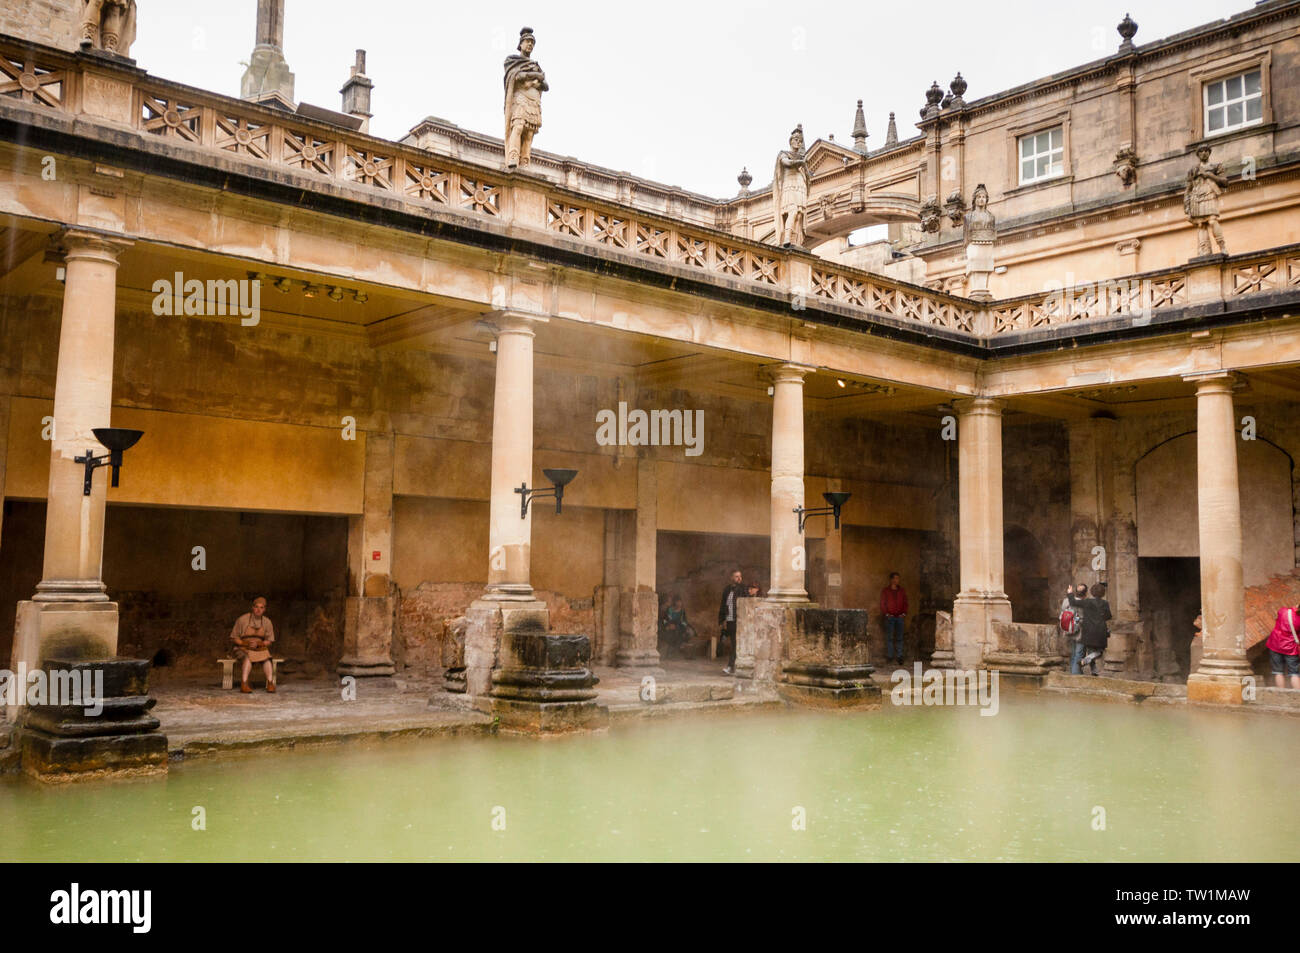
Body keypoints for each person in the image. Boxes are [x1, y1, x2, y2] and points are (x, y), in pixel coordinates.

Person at [230, 596, 276, 693]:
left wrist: (259, 644)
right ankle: (244, 683)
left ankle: (270, 683)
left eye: (261, 607)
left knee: (266, 659)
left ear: (264, 609)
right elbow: (234, 637)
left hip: (259, 647)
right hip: (242, 647)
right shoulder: (242, 619)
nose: (258, 610)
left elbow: (270, 640)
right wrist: (245, 643)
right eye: (256, 607)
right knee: (248, 657)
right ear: (252, 608)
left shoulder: (267, 622)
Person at [1067, 583, 1112, 676]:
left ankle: (1094, 671)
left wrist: (1070, 593)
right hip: (1100, 630)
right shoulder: (1105, 603)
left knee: (1091, 649)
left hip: (1087, 631)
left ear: (1091, 592)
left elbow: (1073, 602)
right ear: (1103, 593)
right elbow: (1108, 616)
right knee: (1099, 652)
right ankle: (1086, 661)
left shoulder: (1087, 602)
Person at [717, 569, 746, 675]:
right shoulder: (727, 590)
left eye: (740, 576)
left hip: (738, 621)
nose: (739, 578)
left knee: (735, 644)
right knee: (733, 643)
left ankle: (730, 666)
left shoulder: (743, 589)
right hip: (730, 621)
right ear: (732, 577)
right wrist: (722, 620)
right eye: (737, 576)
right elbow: (723, 605)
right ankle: (733, 666)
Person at [1265, 603, 1300, 690]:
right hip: (1291, 649)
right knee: (1294, 673)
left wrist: (1293, 607)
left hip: (1275, 645)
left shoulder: (1283, 611)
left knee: (1278, 672)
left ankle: (1281, 695)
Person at [880, 572, 908, 665]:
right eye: (895, 578)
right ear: (891, 579)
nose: (897, 580)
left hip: (900, 617)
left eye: (898, 578)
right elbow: (883, 603)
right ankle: (890, 656)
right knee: (890, 637)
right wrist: (886, 614)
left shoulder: (902, 591)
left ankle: (899, 656)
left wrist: (904, 613)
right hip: (890, 617)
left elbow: (905, 602)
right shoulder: (886, 591)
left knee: (900, 638)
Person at [1062, 584, 1087, 674]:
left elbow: (1063, 611)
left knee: (1073, 653)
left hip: (1069, 628)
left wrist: (1070, 594)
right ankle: (1075, 676)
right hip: (1080, 631)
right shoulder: (1084, 603)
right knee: (1079, 654)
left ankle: (1073, 672)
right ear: (1085, 594)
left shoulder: (1065, 601)